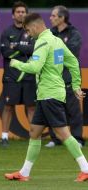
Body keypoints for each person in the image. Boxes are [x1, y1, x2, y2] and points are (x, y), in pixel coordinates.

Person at [4, 13, 88, 182]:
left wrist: (15, 63)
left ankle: (86, 169)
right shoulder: (57, 40)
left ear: (35, 26)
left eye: (28, 30)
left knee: (63, 133)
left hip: (50, 94)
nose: (28, 34)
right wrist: (76, 85)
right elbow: (72, 62)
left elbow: (35, 67)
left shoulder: (42, 42)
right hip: (48, 94)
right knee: (34, 132)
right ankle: (24, 173)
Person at [45, 5, 84, 148]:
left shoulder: (74, 34)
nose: (51, 18)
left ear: (62, 18)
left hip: (69, 79)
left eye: (54, 16)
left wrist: (54, 53)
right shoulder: (49, 33)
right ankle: (55, 139)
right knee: (53, 110)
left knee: (74, 111)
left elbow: (71, 53)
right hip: (52, 80)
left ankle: (78, 139)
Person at [0, 1, 35, 147]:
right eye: (18, 12)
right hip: (11, 76)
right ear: (13, 15)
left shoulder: (32, 31)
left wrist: (17, 47)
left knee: (31, 107)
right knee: (8, 106)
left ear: (26, 14)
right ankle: (4, 137)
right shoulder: (7, 32)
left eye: (23, 11)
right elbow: (6, 52)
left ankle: (34, 138)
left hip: (29, 76)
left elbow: (34, 50)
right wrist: (23, 49)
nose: (21, 14)